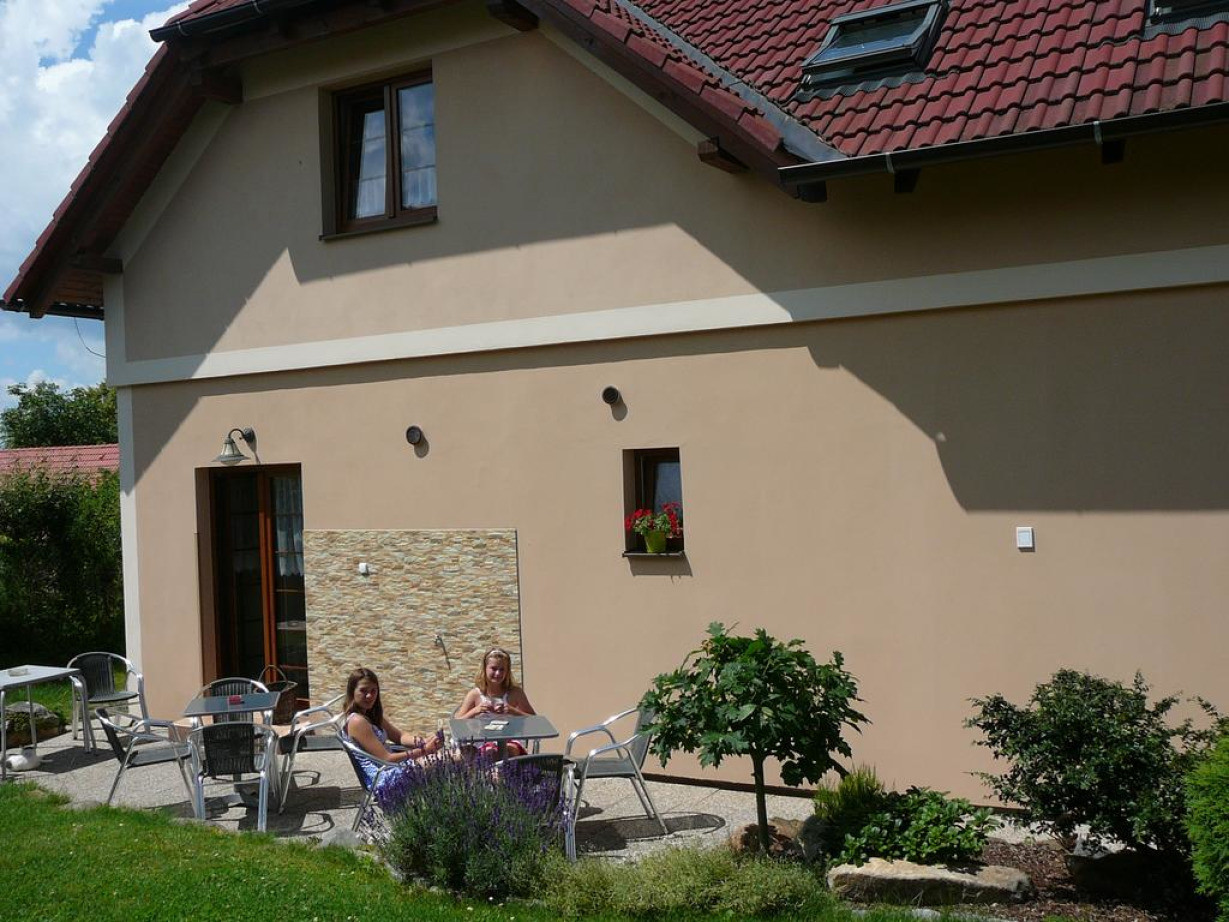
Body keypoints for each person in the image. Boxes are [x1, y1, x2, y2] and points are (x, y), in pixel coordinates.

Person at [341, 666, 443, 794]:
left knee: (453, 755)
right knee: (454, 757)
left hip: (394, 768)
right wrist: (424, 750)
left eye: (373, 691)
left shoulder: (370, 715)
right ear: (352, 692)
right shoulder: (357, 722)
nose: (369, 695)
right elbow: (386, 758)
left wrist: (423, 742)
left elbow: (399, 736)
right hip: (384, 778)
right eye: (363, 691)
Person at [456, 647, 535, 757]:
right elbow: (456, 724)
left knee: (507, 751)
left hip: (510, 740)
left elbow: (534, 721)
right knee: (488, 752)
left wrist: (513, 711)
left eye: (502, 669)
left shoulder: (515, 693)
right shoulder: (475, 694)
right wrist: (476, 710)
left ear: (507, 671)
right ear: (485, 668)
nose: (498, 673)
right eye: (493, 668)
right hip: (482, 741)